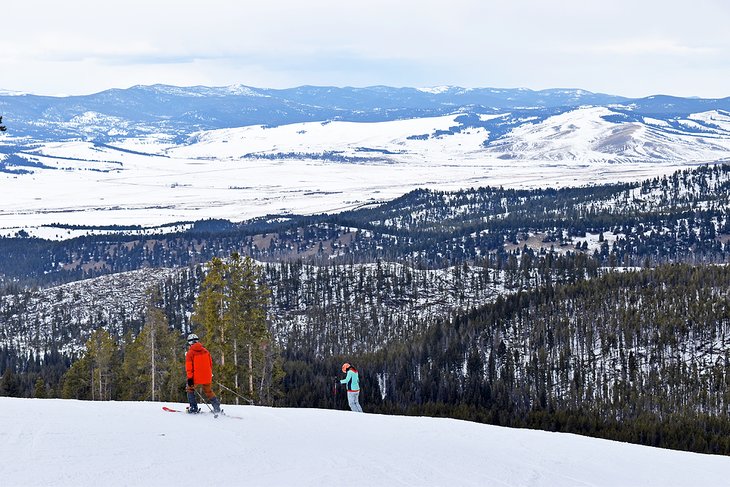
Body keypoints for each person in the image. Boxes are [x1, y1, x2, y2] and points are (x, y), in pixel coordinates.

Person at [185, 333, 221, 414]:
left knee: (189, 389)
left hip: (196, 377)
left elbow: (189, 368)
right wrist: (209, 373)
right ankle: (217, 408)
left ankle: (193, 407)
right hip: (207, 375)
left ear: (189, 343)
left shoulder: (190, 353)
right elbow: (210, 364)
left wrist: (190, 378)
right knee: (208, 391)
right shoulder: (206, 351)